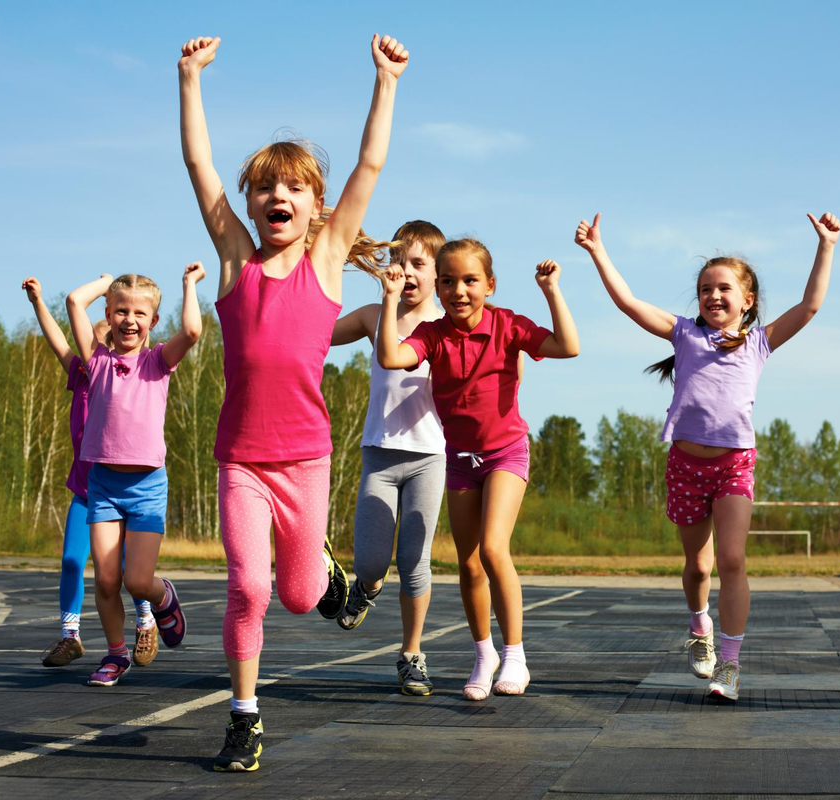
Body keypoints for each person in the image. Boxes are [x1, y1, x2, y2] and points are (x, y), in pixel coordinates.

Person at [178, 32, 409, 771]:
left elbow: (370, 164)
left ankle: (326, 574)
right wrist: (190, 79)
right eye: (264, 188)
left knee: (302, 598)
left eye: (294, 188)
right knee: (248, 587)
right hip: (242, 461)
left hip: (306, 461)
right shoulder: (235, 262)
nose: (278, 196)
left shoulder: (327, 260)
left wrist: (386, 81)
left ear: (315, 208)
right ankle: (244, 718)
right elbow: (199, 167)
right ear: (250, 204)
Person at [575, 211, 840, 701]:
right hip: (685, 466)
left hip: (734, 464)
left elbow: (809, 306)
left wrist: (826, 245)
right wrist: (597, 251)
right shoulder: (683, 334)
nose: (713, 296)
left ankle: (731, 665)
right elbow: (628, 302)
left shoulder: (760, 342)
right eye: (705, 289)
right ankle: (700, 628)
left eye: (724, 288)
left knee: (732, 560)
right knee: (698, 567)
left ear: (747, 300)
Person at [376, 239, 580, 700]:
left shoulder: (507, 324)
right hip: (460, 460)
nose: (459, 291)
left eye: (470, 280)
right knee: (468, 565)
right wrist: (389, 299)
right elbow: (390, 357)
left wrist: (551, 291)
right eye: (448, 281)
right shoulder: (432, 334)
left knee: (492, 548)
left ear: (490, 284)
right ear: (438, 288)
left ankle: (515, 655)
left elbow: (568, 346)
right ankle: (484, 655)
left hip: (506, 452)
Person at [65, 264, 205, 686]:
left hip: (146, 488)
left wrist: (189, 285)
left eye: (139, 313)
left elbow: (192, 332)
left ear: (153, 321)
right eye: (121, 311)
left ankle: (164, 598)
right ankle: (116, 654)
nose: (129, 320)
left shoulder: (157, 361)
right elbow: (74, 301)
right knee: (107, 580)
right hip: (104, 486)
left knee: (138, 581)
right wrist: (106, 284)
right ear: (108, 315)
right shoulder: (96, 360)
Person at [331, 220, 447, 696]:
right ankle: (366, 586)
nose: (406, 271)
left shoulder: (450, 326)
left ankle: (411, 655)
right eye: (398, 261)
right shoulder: (374, 316)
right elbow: (317, 334)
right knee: (373, 564)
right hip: (379, 456)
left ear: (439, 273)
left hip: (429, 458)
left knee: (415, 562)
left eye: (418, 263)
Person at [24, 278, 157, 669]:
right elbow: (57, 339)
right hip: (86, 492)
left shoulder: (127, 376)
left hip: (124, 492)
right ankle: (70, 636)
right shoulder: (81, 375)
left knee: (128, 571)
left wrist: (112, 291)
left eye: (101, 342)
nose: (92, 347)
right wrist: (37, 302)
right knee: (71, 562)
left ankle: (146, 620)